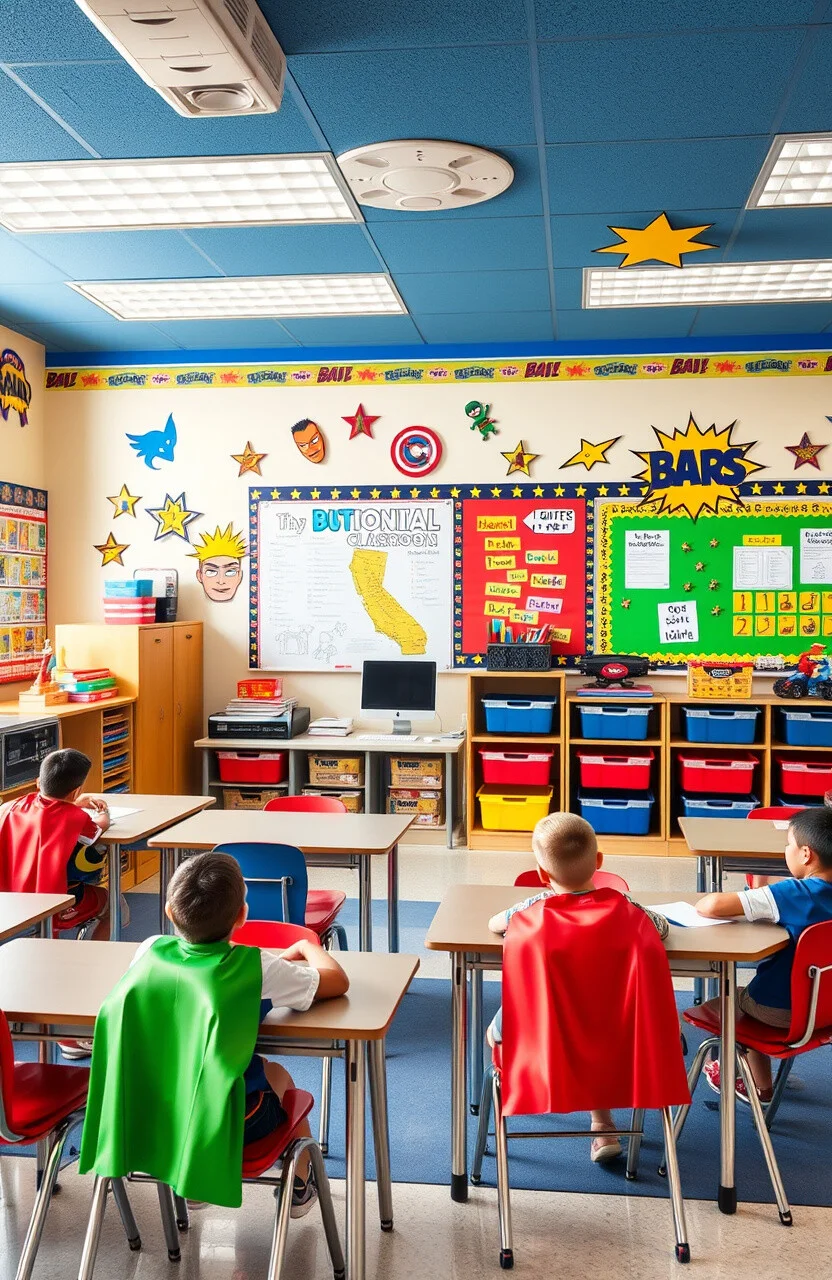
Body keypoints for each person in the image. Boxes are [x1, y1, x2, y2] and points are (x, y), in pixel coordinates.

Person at [81, 852, 349, 1215]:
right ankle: (300, 1185)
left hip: (149, 1116)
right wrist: (306, 946)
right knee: (279, 1075)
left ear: (169, 911)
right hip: (232, 1124)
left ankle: (190, 1182)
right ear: (242, 915)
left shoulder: (148, 951)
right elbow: (336, 982)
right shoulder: (256, 966)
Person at [486, 812, 668, 1163]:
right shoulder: (629, 909)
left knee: (498, 1031)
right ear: (599, 862)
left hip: (544, 1044)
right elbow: (661, 927)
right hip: (625, 1041)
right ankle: (603, 1124)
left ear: (542, 874)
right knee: (594, 1028)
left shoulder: (529, 911)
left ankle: (529, 1103)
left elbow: (495, 923)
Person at [696, 806, 832, 1102]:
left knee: (732, 1001)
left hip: (781, 1012)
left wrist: (759, 893)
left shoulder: (794, 893)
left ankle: (759, 1086)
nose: (786, 850)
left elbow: (710, 906)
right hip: (826, 1009)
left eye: (788, 844)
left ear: (806, 854)